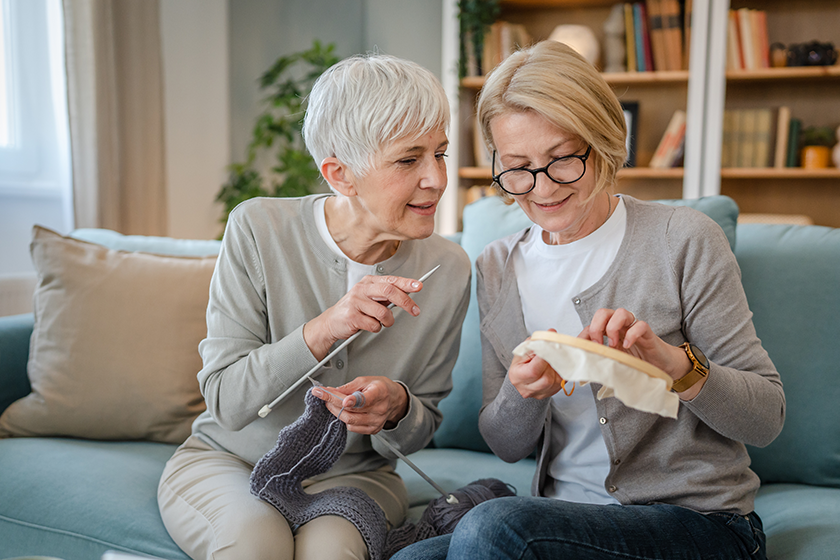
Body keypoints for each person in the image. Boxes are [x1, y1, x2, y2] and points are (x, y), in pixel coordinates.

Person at [393, 40, 784, 560]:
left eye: (561, 160)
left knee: (493, 530)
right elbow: (507, 445)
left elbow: (767, 418)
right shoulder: (495, 265)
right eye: (518, 167)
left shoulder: (682, 239)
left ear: (601, 142)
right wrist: (522, 394)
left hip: (701, 525)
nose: (541, 188)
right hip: (562, 524)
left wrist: (675, 366)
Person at [157, 53, 471, 560]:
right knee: (256, 544)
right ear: (341, 174)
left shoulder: (450, 268)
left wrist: (397, 405)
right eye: (409, 160)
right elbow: (226, 401)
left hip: (359, 477)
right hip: (229, 461)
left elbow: (423, 424)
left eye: (440, 153)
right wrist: (325, 328)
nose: (436, 178)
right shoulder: (257, 229)